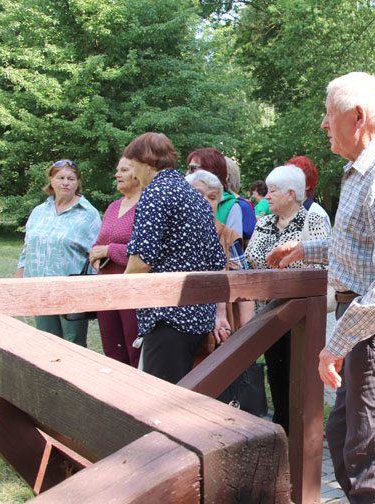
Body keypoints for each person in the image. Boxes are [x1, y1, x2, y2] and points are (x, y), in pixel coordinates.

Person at [267, 71, 375, 504]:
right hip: (370, 320)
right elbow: (362, 245)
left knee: (370, 457)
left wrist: (336, 344)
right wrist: (305, 247)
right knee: (347, 439)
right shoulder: (364, 168)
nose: (324, 124)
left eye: (329, 115)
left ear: (357, 117)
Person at [123, 133, 230, 384]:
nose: (132, 174)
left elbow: (142, 258)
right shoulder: (194, 196)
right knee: (185, 396)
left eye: (133, 166)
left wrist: (119, 286)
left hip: (166, 314)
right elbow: (216, 259)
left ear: (148, 163)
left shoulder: (155, 193)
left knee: (160, 398)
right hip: (199, 316)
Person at [244, 164, 329, 433]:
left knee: (299, 375)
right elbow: (252, 258)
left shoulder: (311, 220)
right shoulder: (266, 222)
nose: (266, 196)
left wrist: (277, 265)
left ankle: (303, 437)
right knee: (276, 373)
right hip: (268, 312)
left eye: (272, 191)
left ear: (291, 194)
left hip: (300, 315)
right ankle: (282, 432)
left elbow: (319, 267)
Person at [16, 159, 101, 347]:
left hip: (71, 292)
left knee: (72, 345)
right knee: (45, 341)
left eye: (71, 178)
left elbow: (96, 255)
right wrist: (19, 282)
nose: (65, 182)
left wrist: (93, 294)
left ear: (78, 183)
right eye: (60, 177)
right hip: (40, 289)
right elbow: (26, 249)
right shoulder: (39, 212)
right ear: (51, 181)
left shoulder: (88, 213)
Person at [88, 157, 141, 366]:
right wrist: (95, 255)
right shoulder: (112, 207)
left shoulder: (147, 206)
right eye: (117, 170)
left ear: (138, 173)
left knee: (133, 346)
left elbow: (147, 252)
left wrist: (110, 250)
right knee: (112, 348)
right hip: (106, 286)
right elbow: (99, 243)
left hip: (131, 285)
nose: (117, 175)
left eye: (124, 170)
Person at [185, 169, 254, 328]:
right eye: (198, 194)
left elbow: (244, 284)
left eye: (212, 197)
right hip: (178, 323)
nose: (205, 201)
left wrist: (247, 335)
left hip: (219, 328)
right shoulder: (171, 234)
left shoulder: (228, 237)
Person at [287, 155, 331, 231]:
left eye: (293, 180)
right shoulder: (287, 212)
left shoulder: (315, 214)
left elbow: (324, 243)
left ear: (307, 185)